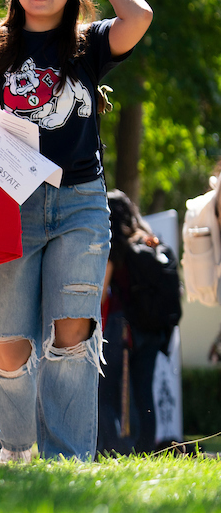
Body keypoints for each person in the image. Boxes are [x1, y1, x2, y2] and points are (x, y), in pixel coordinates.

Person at [0, 0, 153, 462]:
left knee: (73, 336)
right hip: (9, 204)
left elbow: (141, 16)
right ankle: (16, 450)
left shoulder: (88, 44)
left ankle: (69, 461)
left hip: (80, 205)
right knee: (9, 346)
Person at [101, 190, 170, 454]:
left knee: (106, 391)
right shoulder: (148, 240)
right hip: (152, 329)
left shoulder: (116, 245)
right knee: (143, 392)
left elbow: (103, 290)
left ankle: (112, 448)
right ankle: (145, 450)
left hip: (122, 326)